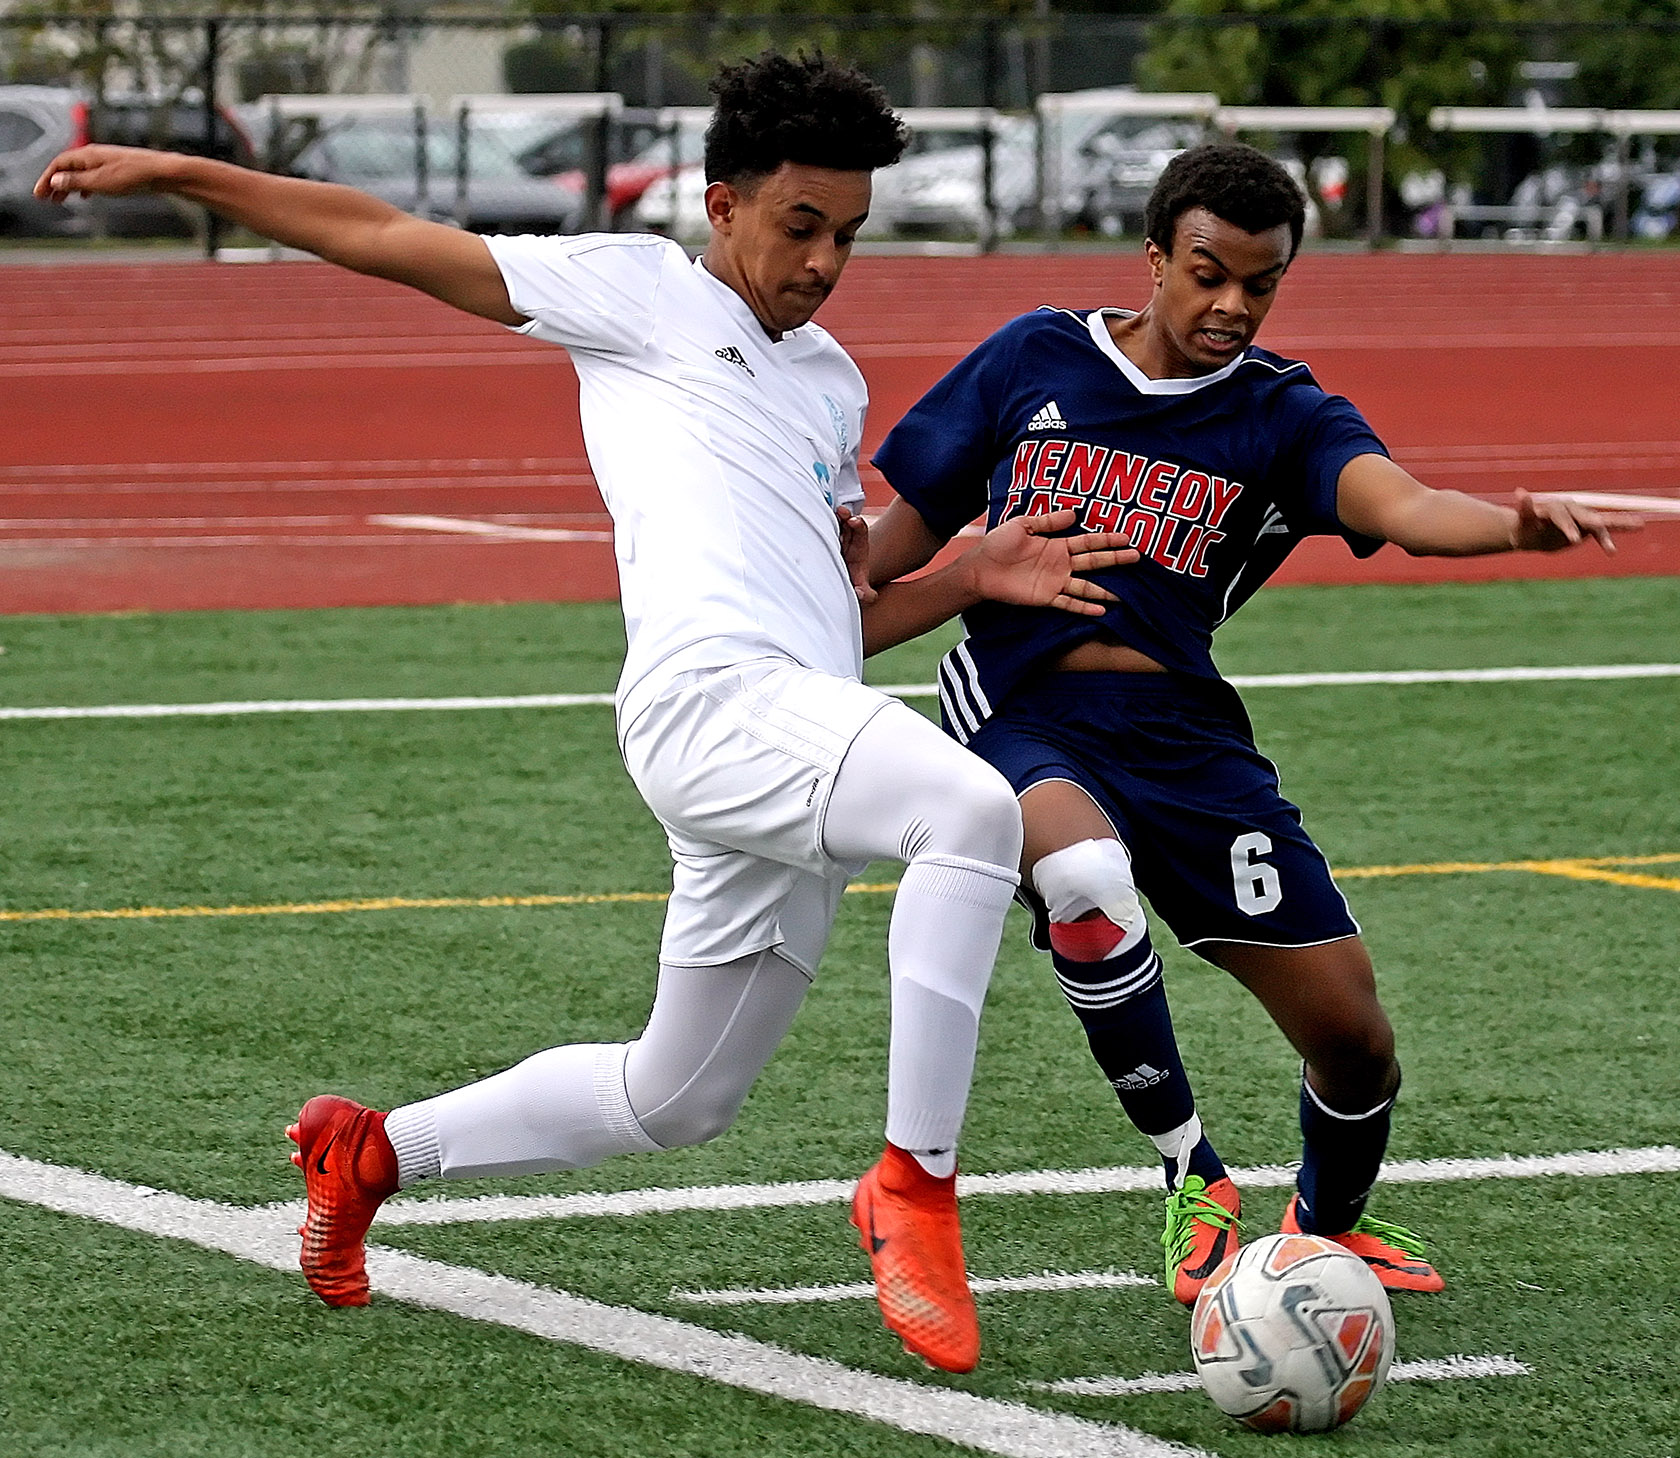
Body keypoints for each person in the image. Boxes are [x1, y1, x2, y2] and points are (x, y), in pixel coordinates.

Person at [34, 52, 1134, 1373]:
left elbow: (833, 614)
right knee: (968, 805)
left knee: (676, 1096)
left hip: (789, 725)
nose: (827, 260)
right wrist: (180, 172)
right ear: (720, 205)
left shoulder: (831, 379)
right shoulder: (635, 289)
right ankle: (913, 1183)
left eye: (848, 232)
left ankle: (373, 1148)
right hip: (710, 707)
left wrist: (961, 577)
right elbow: (386, 235)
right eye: (801, 226)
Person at [865, 141, 1639, 1307]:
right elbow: (883, 562)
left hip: (1182, 733)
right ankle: (1194, 1175)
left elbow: (1407, 507)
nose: (1231, 304)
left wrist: (1510, 528)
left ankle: (1324, 1228)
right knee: (1081, 873)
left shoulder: (1282, 412)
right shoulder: (1032, 357)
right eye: (1208, 271)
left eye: (1260, 282)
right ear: (1156, 256)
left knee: (1355, 1037)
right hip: (1023, 708)